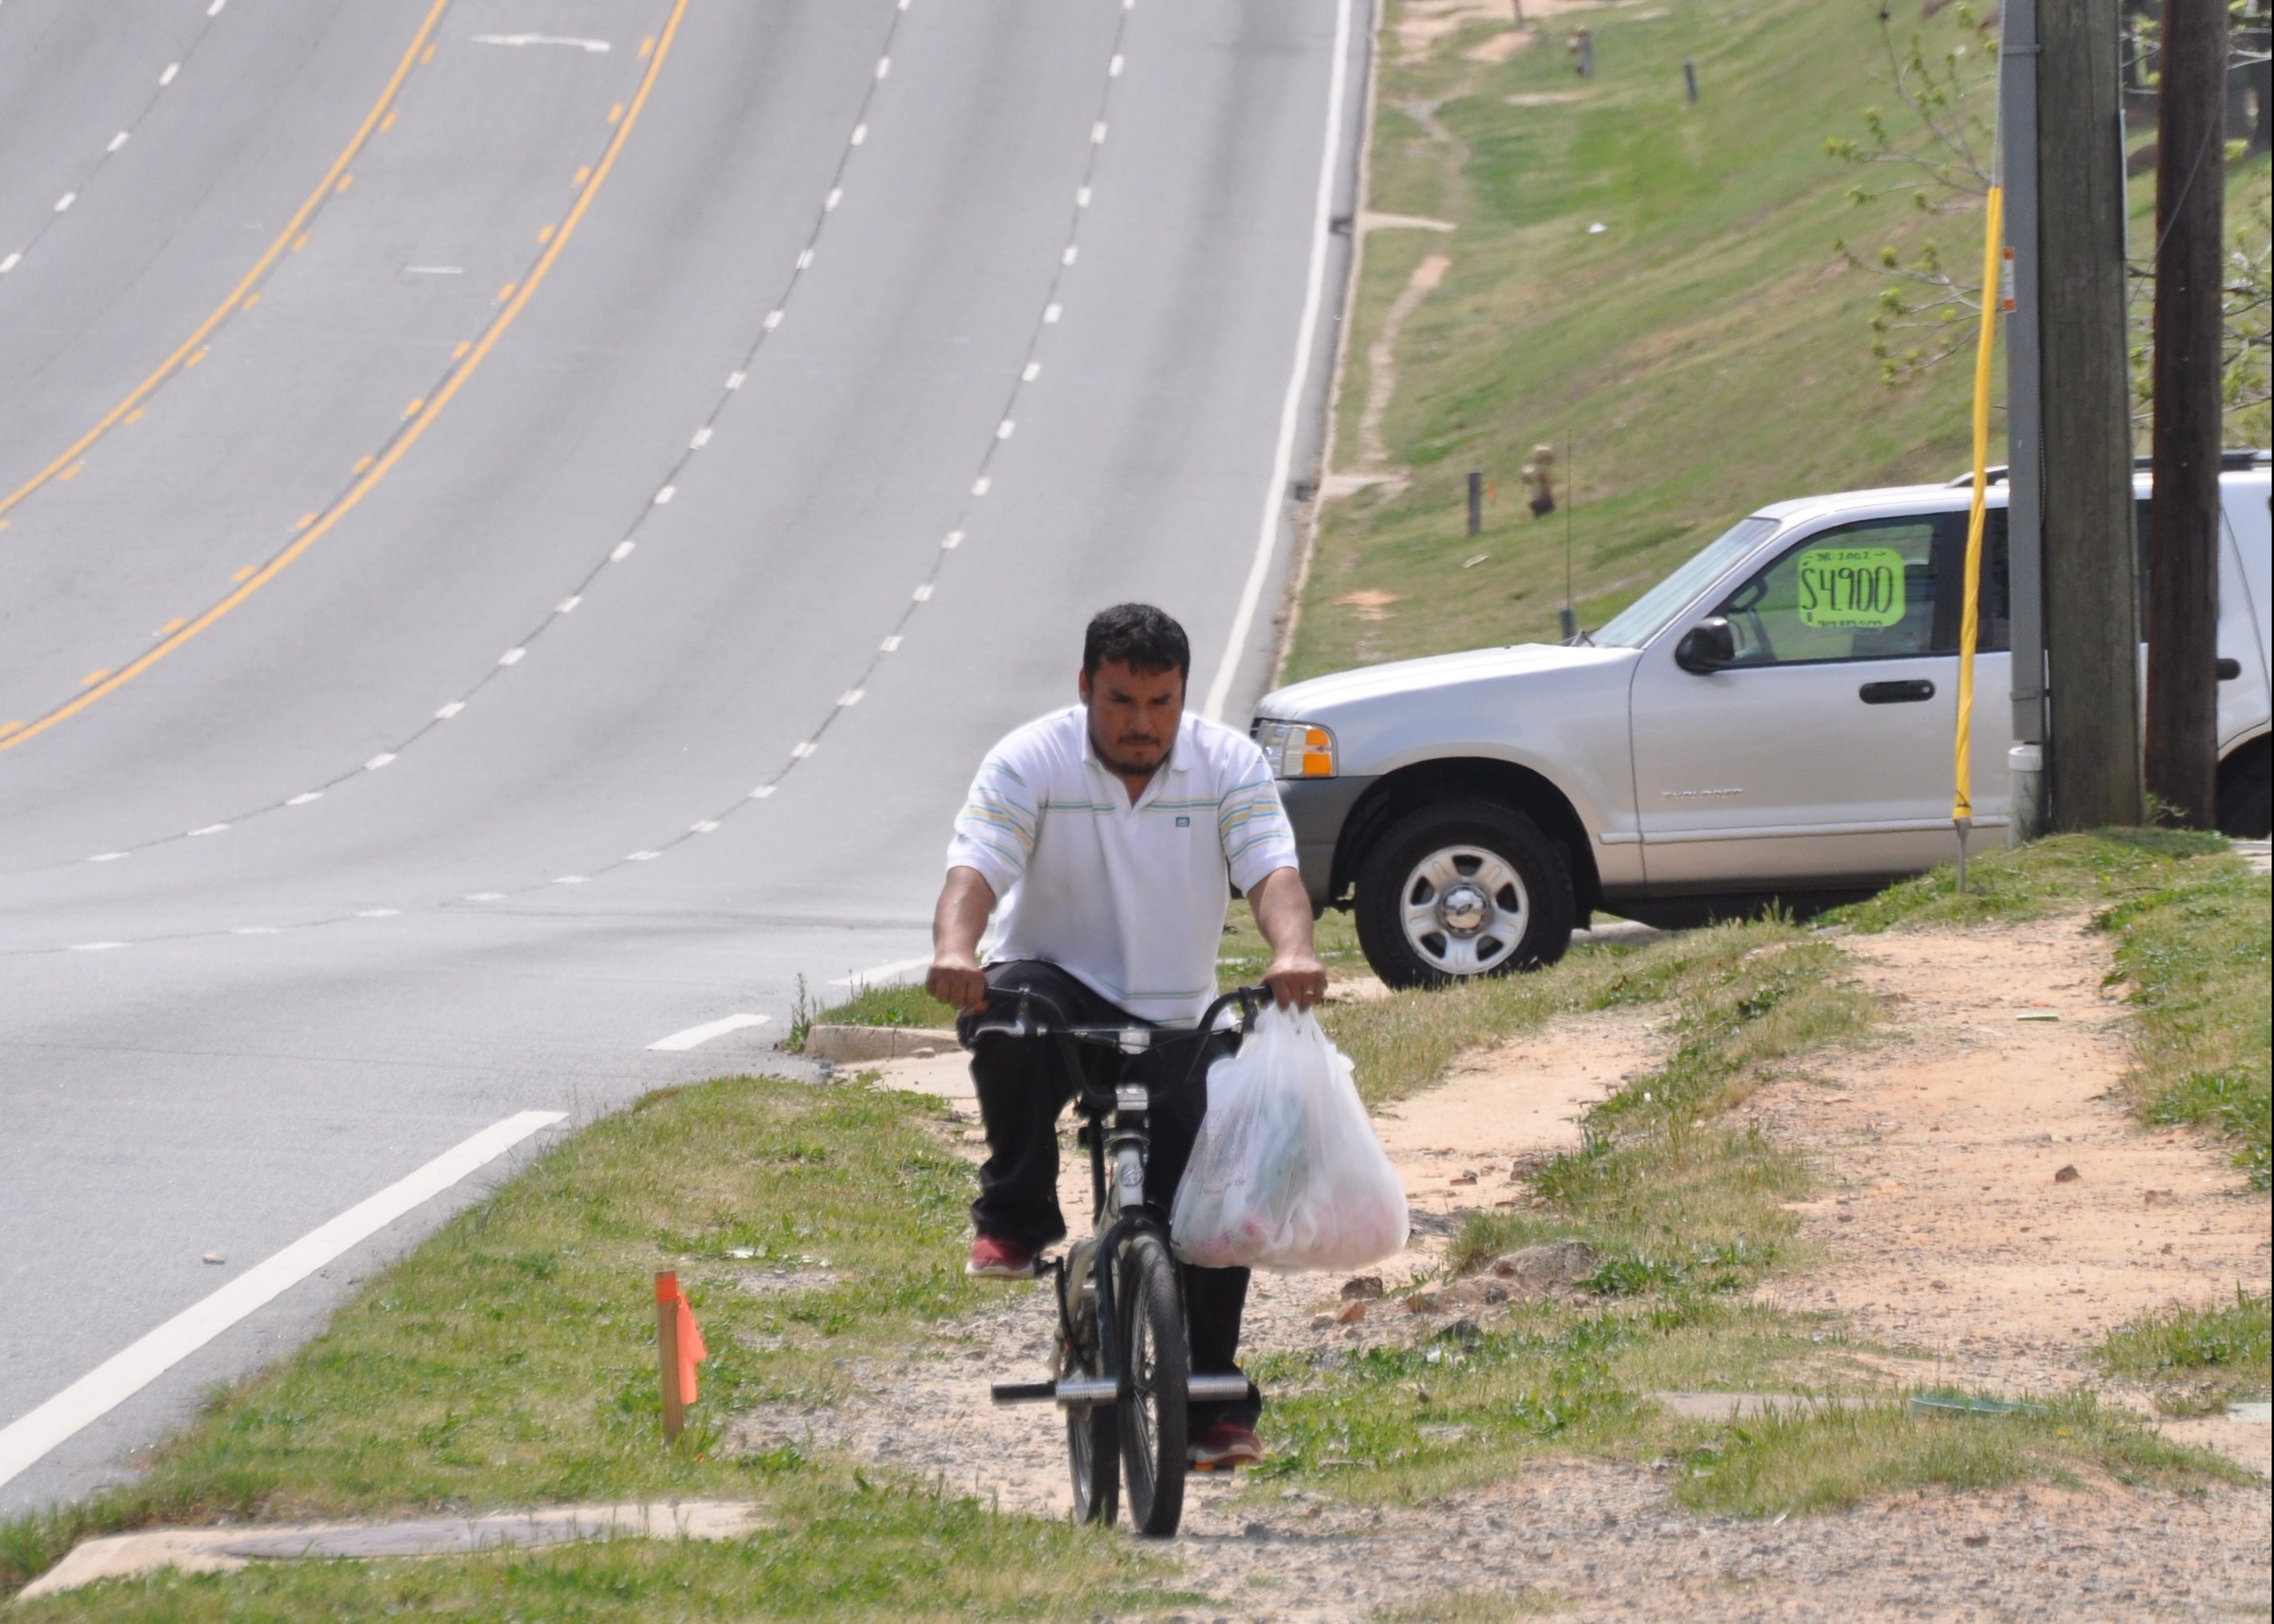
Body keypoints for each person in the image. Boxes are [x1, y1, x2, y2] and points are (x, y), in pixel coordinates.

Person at [925, 602, 1326, 1470]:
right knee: (1006, 1014)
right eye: (1119, 701)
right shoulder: (1030, 757)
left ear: (1183, 694)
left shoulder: (1227, 762)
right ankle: (1016, 1214)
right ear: (1084, 688)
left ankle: (1214, 1399)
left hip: (1175, 1015)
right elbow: (976, 867)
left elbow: (1272, 871)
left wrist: (1292, 949)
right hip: (1060, 988)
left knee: (1217, 1197)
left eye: (1160, 701)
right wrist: (956, 948)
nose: (1140, 723)